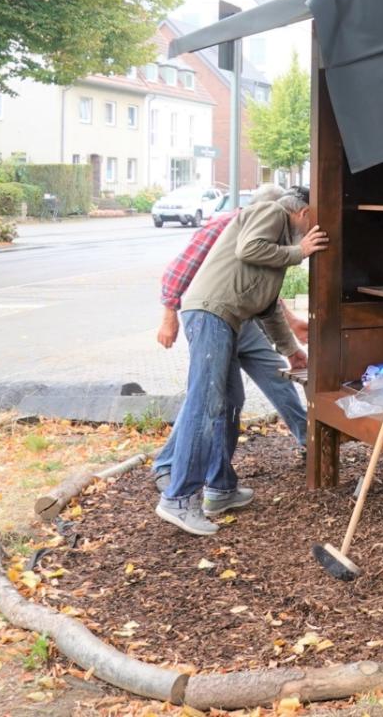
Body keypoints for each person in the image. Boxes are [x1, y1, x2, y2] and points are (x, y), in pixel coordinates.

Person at [155, 187, 328, 536]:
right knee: (205, 405)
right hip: (211, 315)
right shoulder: (273, 213)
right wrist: (299, 252)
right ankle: (178, 498)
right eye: (316, 224)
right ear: (305, 213)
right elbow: (247, 248)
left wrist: (290, 350)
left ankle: (220, 489)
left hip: (227, 319)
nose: (314, 234)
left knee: (230, 404)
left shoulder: (277, 243)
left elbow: (266, 308)